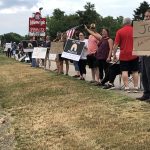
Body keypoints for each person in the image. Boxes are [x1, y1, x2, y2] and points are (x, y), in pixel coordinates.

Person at [113, 18, 139, 93]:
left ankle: (127, 87)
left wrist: (114, 54)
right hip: (134, 53)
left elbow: (116, 44)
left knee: (124, 71)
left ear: (123, 23)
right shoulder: (135, 30)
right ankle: (136, 87)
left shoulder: (119, 31)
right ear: (131, 23)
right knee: (135, 71)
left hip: (124, 54)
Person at [136, 9, 150, 101]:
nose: (147, 18)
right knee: (144, 75)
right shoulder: (142, 28)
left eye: (149, 16)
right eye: (146, 16)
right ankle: (146, 93)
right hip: (143, 54)